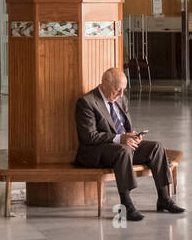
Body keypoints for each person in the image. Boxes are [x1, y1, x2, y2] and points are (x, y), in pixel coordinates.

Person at [74, 68, 185, 222]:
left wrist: (133, 136)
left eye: (123, 90)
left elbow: (124, 128)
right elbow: (89, 136)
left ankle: (164, 198)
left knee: (156, 147)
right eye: (117, 90)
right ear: (105, 84)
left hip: (122, 145)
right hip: (97, 151)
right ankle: (126, 205)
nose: (121, 94)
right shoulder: (87, 102)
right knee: (123, 150)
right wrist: (120, 138)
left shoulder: (121, 99)